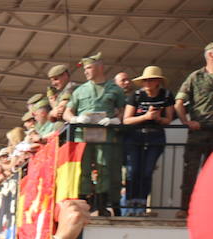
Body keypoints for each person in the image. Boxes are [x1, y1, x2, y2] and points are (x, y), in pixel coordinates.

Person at [66, 53, 127, 216]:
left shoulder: (114, 89)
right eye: (85, 68)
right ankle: (85, 202)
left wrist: (115, 120)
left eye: (89, 68)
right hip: (82, 134)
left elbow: (123, 110)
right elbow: (67, 112)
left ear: (100, 67)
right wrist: (75, 118)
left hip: (104, 133)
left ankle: (101, 205)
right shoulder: (79, 91)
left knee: (104, 167)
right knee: (83, 168)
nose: (86, 71)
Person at [121, 66, 175, 216]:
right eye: (145, 80)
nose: (147, 83)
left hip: (155, 136)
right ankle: (129, 206)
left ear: (158, 81)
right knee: (133, 171)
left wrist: (158, 118)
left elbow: (168, 119)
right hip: (135, 136)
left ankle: (142, 205)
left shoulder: (167, 95)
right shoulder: (136, 96)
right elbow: (126, 120)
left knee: (147, 171)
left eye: (151, 80)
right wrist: (145, 117)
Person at [175, 42, 213, 218]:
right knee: (190, 171)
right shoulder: (195, 77)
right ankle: (186, 208)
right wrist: (186, 121)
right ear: (210, 55)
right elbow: (179, 102)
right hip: (199, 132)